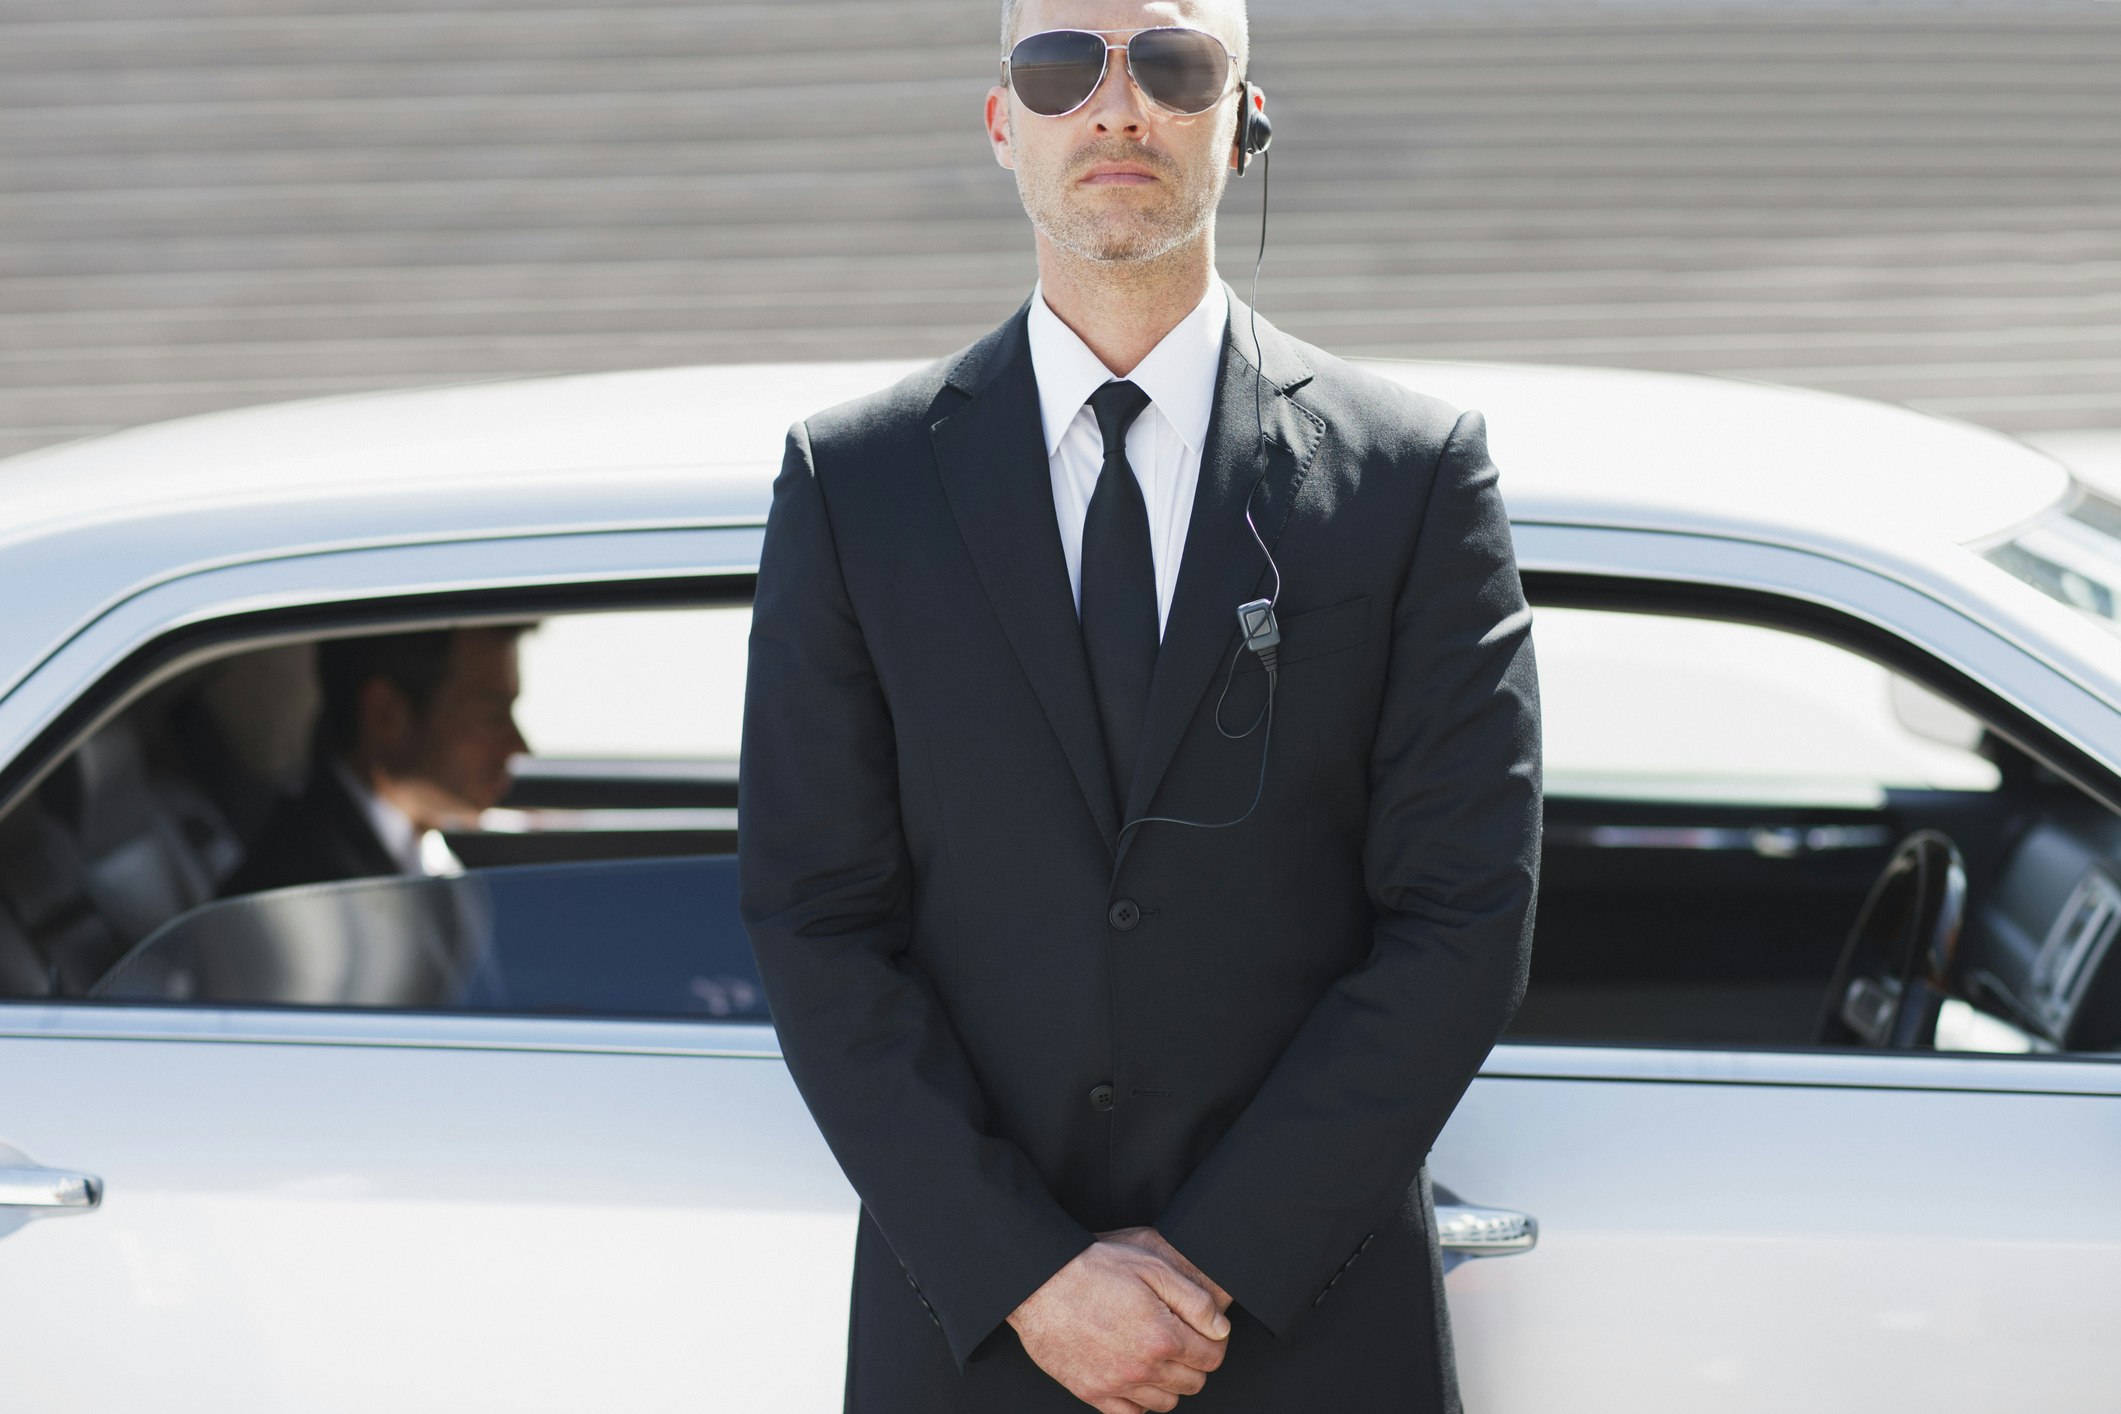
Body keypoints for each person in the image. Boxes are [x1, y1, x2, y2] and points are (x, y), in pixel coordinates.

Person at [737, 0, 1541, 1409]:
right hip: (974, 1334)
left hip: (1307, 1334)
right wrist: (1032, 1276)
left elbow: (1463, 911)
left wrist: (1215, 1261)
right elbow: (815, 914)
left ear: (1242, 123)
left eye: (1169, 63)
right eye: (1062, 65)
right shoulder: (850, 483)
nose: (1115, 108)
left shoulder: (1411, 476)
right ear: (1003, 124)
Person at [218, 625, 530, 898]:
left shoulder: (414, 844)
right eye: (491, 719)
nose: (518, 746)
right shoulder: (309, 894)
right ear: (386, 716)